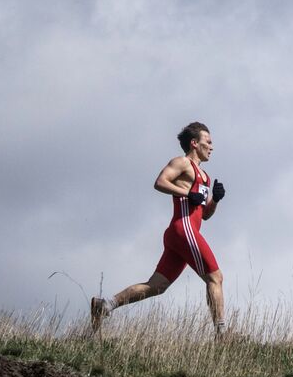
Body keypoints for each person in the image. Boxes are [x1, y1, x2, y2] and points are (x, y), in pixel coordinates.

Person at [91, 122, 227, 336]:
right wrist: (185, 194)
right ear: (194, 143)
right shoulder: (182, 162)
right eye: (208, 142)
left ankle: (105, 305)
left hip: (181, 234)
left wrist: (215, 200)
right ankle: (222, 336)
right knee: (215, 277)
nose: (212, 146)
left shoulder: (205, 176)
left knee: (157, 285)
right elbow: (160, 182)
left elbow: (205, 215)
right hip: (183, 229)